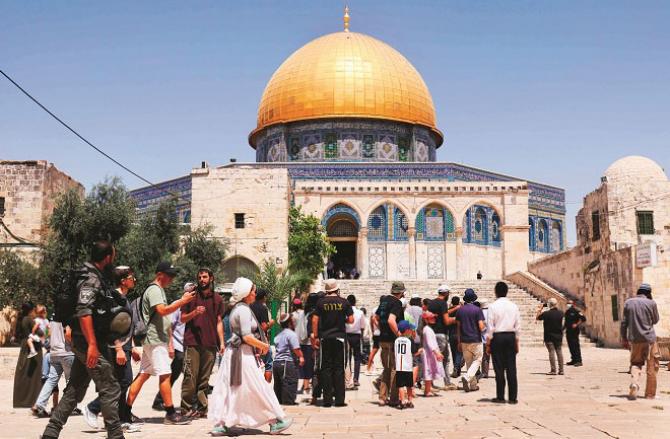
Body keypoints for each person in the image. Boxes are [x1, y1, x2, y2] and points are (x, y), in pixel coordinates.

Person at [41, 241, 126, 439]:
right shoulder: (91, 278)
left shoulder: (88, 274)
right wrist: (93, 346)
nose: (113, 259)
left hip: (84, 341)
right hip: (88, 342)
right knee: (110, 387)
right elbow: (84, 311)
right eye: (113, 255)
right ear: (107, 257)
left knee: (75, 389)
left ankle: (50, 433)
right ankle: (116, 435)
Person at [209, 277, 292, 435]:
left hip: (238, 354)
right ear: (246, 293)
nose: (255, 293)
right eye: (253, 290)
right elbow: (246, 337)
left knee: (240, 389)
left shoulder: (240, 308)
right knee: (256, 387)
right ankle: (275, 420)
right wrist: (264, 346)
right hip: (240, 356)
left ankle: (225, 423)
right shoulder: (243, 310)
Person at [125, 261, 195, 425]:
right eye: (169, 275)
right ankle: (171, 414)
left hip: (152, 339)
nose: (171, 278)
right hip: (155, 339)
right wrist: (182, 301)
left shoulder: (156, 290)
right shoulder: (155, 290)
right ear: (160, 274)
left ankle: (125, 411)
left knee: (143, 374)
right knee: (165, 374)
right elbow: (163, 311)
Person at [84, 266, 142, 432]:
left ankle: (122, 420)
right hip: (117, 348)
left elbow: (125, 326)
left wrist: (132, 348)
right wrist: (118, 349)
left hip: (126, 347)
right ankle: (93, 408)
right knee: (122, 382)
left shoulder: (123, 298)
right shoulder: (114, 297)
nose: (134, 280)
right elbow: (111, 326)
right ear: (123, 281)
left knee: (121, 381)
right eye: (132, 277)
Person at [179, 268, 225, 418]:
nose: (202, 280)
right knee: (190, 377)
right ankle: (186, 408)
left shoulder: (217, 299)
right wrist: (194, 313)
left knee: (204, 380)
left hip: (210, 344)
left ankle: (202, 409)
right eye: (200, 277)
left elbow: (219, 322)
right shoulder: (190, 296)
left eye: (205, 277)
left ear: (211, 278)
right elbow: (182, 318)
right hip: (192, 342)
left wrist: (222, 343)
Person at [311, 279, 354, 407]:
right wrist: (341, 320)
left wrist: (316, 336)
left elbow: (314, 320)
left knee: (326, 368)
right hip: (340, 338)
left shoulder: (321, 302)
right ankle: (340, 400)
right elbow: (351, 320)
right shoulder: (344, 302)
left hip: (325, 338)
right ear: (337, 289)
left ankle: (327, 400)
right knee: (339, 368)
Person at [152, 285, 189, 411]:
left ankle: (160, 400)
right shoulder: (177, 305)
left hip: (189, 344)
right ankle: (160, 400)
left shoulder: (196, 304)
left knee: (184, 372)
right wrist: (170, 345)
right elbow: (169, 326)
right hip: (178, 343)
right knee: (175, 372)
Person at [621, 283, 660, 400]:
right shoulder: (651, 303)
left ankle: (634, 383)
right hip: (650, 339)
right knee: (652, 366)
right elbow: (655, 320)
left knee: (636, 363)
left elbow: (624, 323)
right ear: (648, 293)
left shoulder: (628, 302)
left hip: (635, 339)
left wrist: (624, 338)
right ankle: (650, 394)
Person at [486, 281, 521, 404]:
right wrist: (516, 341)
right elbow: (517, 326)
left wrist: (488, 343)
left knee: (499, 368)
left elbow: (490, 327)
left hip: (498, 337)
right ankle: (513, 397)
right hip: (510, 337)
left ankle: (500, 396)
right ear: (507, 292)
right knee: (511, 367)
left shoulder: (492, 306)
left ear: (496, 292)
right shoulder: (514, 306)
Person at [33, 320, 76, 418]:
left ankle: (39, 404)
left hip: (54, 353)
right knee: (71, 380)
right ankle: (71, 407)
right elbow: (68, 333)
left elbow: (49, 335)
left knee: (51, 380)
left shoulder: (53, 320)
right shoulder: (67, 318)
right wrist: (73, 345)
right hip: (66, 352)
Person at [375, 281, 405, 406]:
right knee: (394, 369)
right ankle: (393, 398)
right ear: (401, 292)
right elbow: (391, 320)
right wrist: (399, 335)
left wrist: (382, 329)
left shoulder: (384, 300)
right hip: (392, 340)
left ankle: (382, 398)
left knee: (386, 368)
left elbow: (376, 317)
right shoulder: (396, 303)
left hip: (383, 339)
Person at [13, 302, 44, 408]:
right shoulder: (30, 320)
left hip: (24, 346)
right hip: (33, 347)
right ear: (31, 310)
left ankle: (20, 400)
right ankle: (31, 401)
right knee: (34, 375)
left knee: (24, 373)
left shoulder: (22, 319)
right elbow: (40, 333)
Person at [427, 284, 457, 390]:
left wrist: (455, 309)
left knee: (442, 359)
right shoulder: (443, 303)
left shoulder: (432, 303)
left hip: (432, 333)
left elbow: (442, 314)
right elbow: (446, 320)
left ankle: (447, 382)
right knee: (438, 359)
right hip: (441, 334)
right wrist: (457, 319)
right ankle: (428, 384)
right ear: (446, 293)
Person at [456, 289, 486, 392]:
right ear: (474, 298)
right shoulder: (477, 310)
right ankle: (467, 377)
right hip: (475, 339)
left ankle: (473, 386)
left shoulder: (460, 310)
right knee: (477, 360)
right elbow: (481, 327)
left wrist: (459, 341)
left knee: (469, 362)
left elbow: (458, 327)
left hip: (464, 340)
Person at [273, 312, 304, 405]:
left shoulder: (278, 335)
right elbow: (296, 348)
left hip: (276, 363)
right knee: (289, 382)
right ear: (289, 323)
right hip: (286, 362)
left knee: (278, 385)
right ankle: (288, 402)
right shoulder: (291, 334)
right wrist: (301, 357)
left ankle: (279, 401)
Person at [250, 288, 275, 383]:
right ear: (264, 297)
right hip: (261, 341)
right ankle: (267, 388)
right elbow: (264, 327)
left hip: (250, 340)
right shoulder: (262, 308)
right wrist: (271, 323)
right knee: (268, 364)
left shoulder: (249, 306)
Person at [536, 298, 564, 375]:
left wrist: (540, 309)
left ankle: (553, 370)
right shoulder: (561, 313)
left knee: (551, 352)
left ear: (549, 304)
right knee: (559, 352)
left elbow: (537, 318)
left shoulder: (546, 313)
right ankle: (561, 370)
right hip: (558, 336)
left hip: (549, 336)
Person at [420, 311, 445, 397]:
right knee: (428, 371)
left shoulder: (427, 329)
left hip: (430, 353)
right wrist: (437, 353)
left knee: (430, 370)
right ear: (426, 320)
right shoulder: (427, 330)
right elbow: (430, 343)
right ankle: (427, 391)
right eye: (431, 318)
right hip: (429, 354)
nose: (434, 319)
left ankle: (428, 389)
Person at [394, 320, 416, 409]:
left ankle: (402, 401)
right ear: (407, 330)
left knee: (401, 386)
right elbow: (414, 352)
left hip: (399, 366)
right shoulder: (410, 340)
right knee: (409, 385)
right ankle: (410, 401)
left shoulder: (396, 341)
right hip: (408, 367)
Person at [345, 294, 365, 388]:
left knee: (347, 358)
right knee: (357, 358)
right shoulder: (360, 312)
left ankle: (347, 378)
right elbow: (362, 326)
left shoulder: (344, 312)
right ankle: (356, 379)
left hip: (346, 336)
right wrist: (361, 337)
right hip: (356, 336)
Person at [564, 300, 586, 367]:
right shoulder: (567, 312)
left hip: (574, 331)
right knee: (571, 346)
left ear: (572, 304)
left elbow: (583, 318)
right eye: (567, 303)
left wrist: (576, 324)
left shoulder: (576, 311)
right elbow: (566, 322)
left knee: (575, 345)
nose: (568, 304)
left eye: (569, 303)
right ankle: (573, 359)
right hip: (568, 331)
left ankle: (579, 361)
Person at [447, 296, 463, 378]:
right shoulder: (461, 310)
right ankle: (457, 368)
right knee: (459, 352)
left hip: (451, 334)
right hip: (459, 333)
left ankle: (456, 369)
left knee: (454, 352)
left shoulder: (449, 310)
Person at [479, 299, 491, 378]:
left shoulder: (480, 313)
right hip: (493, 336)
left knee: (485, 356)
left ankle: (484, 372)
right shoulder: (491, 313)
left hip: (484, 337)